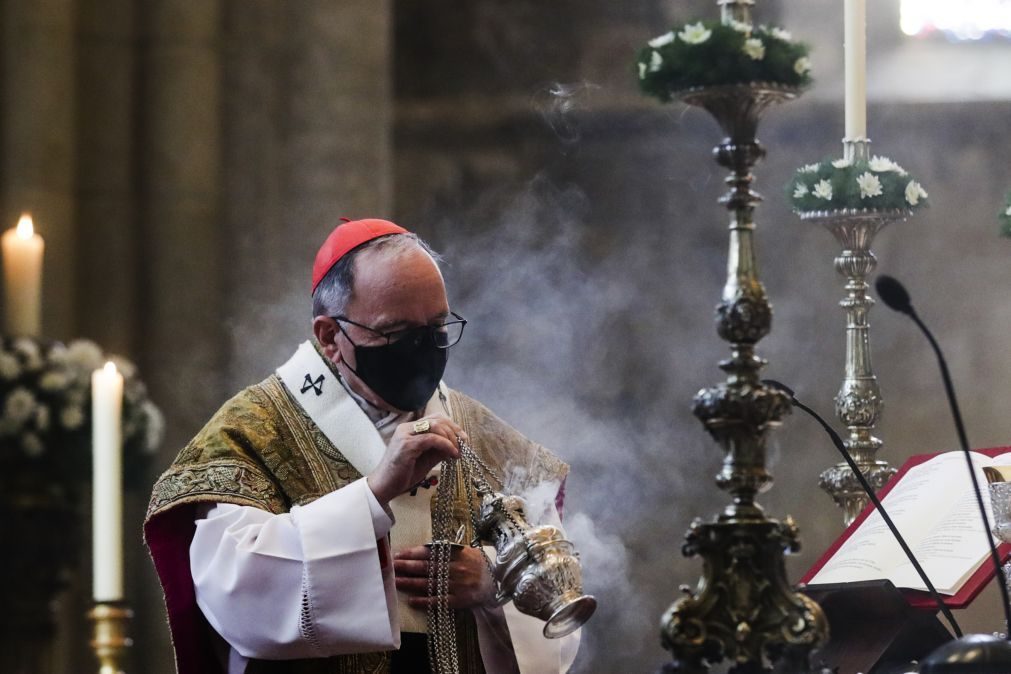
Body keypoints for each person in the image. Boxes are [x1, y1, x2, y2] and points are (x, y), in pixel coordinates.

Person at [144, 218, 580, 674]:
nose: (422, 348)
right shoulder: (252, 433)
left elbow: (560, 617)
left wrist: (493, 585)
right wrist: (372, 494)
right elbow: (238, 598)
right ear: (331, 337)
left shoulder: (489, 439)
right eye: (395, 333)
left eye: (436, 327)